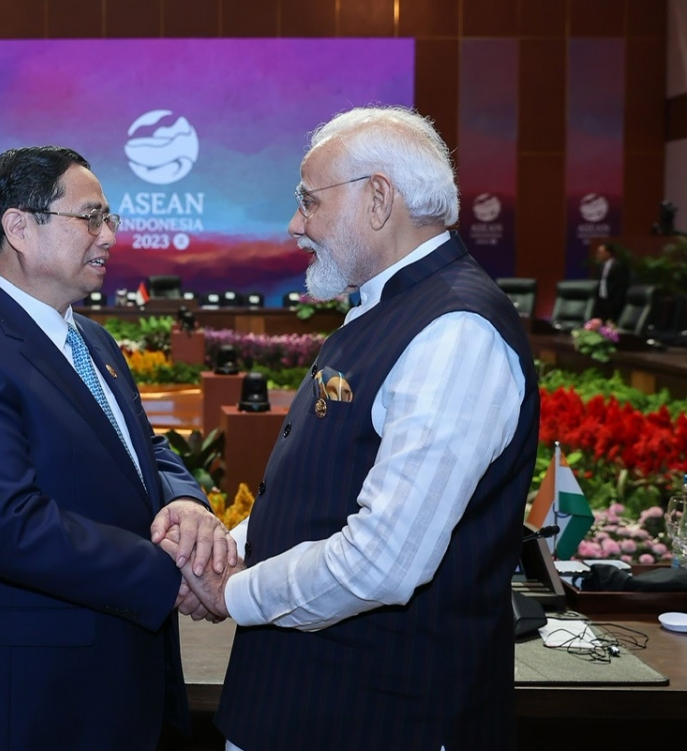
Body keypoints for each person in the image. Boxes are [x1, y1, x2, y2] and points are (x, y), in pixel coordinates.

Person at [166, 107, 539, 751]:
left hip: (383, 719)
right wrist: (223, 552)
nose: (296, 225)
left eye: (309, 201)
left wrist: (233, 592)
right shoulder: (386, 306)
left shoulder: (455, 332)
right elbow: (318, 491)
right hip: (296, 705)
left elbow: (383, 562)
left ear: (378, 198)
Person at [0, 145, 235, 750]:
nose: (108, 235)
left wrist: (185, 501)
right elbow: (9, 527)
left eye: (108, 218)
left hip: (118, 683)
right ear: (19, 228)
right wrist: (169, 575)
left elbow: (143, 448)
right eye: (90, 217)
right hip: (31, 701)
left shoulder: (93, 339)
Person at [591, 241, 629, 323]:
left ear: (608, 253)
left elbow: (621, 286)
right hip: (601, 301)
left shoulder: (618, 266)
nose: (597, 255)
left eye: (600, 252)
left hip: (613, 302)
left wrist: (617, 303)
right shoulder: (600, 266)